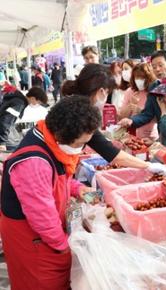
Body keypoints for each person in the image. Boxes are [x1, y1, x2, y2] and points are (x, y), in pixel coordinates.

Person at [0, 97, 100, 290]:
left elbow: (57, 180)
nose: (82, 148)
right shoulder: (33, 162)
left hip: (45, 232)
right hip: (32, 239)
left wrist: (78, 189)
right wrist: (63, 247)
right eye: (81, 143)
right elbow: (41, 216)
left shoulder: (49, 138)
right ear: (63, 135)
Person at [61, 63, 165, 172]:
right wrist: (148, 166)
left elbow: (106, 148)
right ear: (101, 91)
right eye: (107, 93)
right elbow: (108, 150)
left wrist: (147, 166)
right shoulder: (81, 114)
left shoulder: (74, 106)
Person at [119, 63, 158, 141]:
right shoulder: (130, 91)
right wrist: (131, 105)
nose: (139, 80)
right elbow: (121, 116)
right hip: (131, 136)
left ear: (149, 78)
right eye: (137, 77)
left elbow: (159, 117)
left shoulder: (154, 92)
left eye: (142, 77)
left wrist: (141, 111)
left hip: (150, 136)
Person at [0, 85, 28, 151]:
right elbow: (6, 121)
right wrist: (2, 142)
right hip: (5, 136)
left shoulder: (17, 99)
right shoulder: (19, 103)